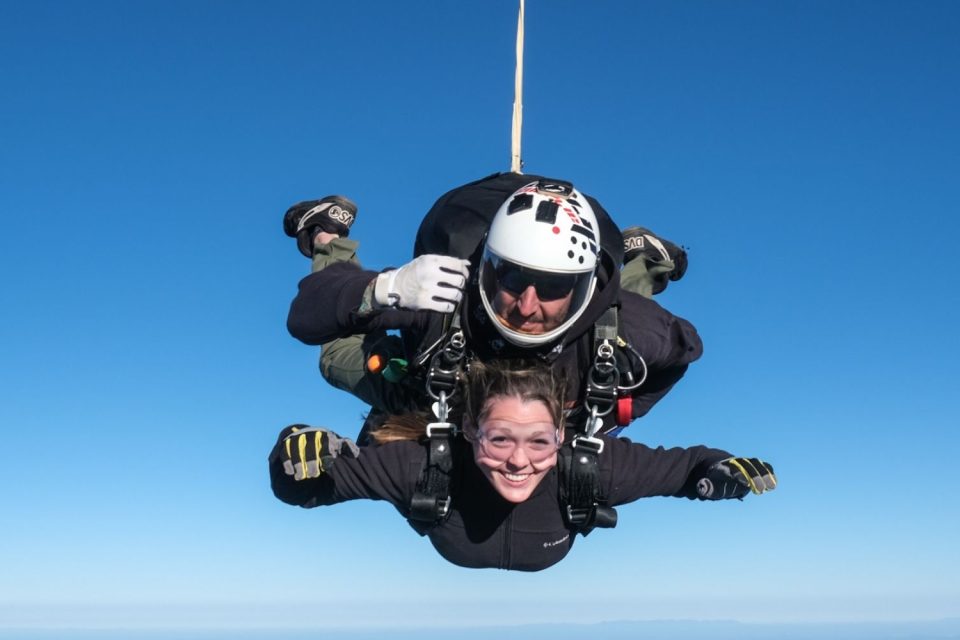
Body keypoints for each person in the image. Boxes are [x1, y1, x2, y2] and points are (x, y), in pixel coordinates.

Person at [285, 173, 701, 434]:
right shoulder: (443, 295)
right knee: (339, 354)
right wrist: (385, 287)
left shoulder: (623, 326)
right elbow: (314, 314)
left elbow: (676, 351)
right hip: (430, 392)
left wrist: (599, 415)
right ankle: (327, 235)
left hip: (562, 390)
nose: (525, 306)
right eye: (513, 280)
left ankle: (646, 262)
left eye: (554, 288)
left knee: (610, 337)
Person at [269, 359, 776, 571]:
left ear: (563, 437)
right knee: (339, 357)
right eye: (499, 439)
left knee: (632, 373)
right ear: (470, 433)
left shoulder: (589, 469)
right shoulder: (422, 466)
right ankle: (325, 237)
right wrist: (294, 451)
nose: (518, 461)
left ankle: (637, 261)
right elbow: (303, 490)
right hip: (420, 398)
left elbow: (685, 468)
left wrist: (720, 471)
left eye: (539, 442)